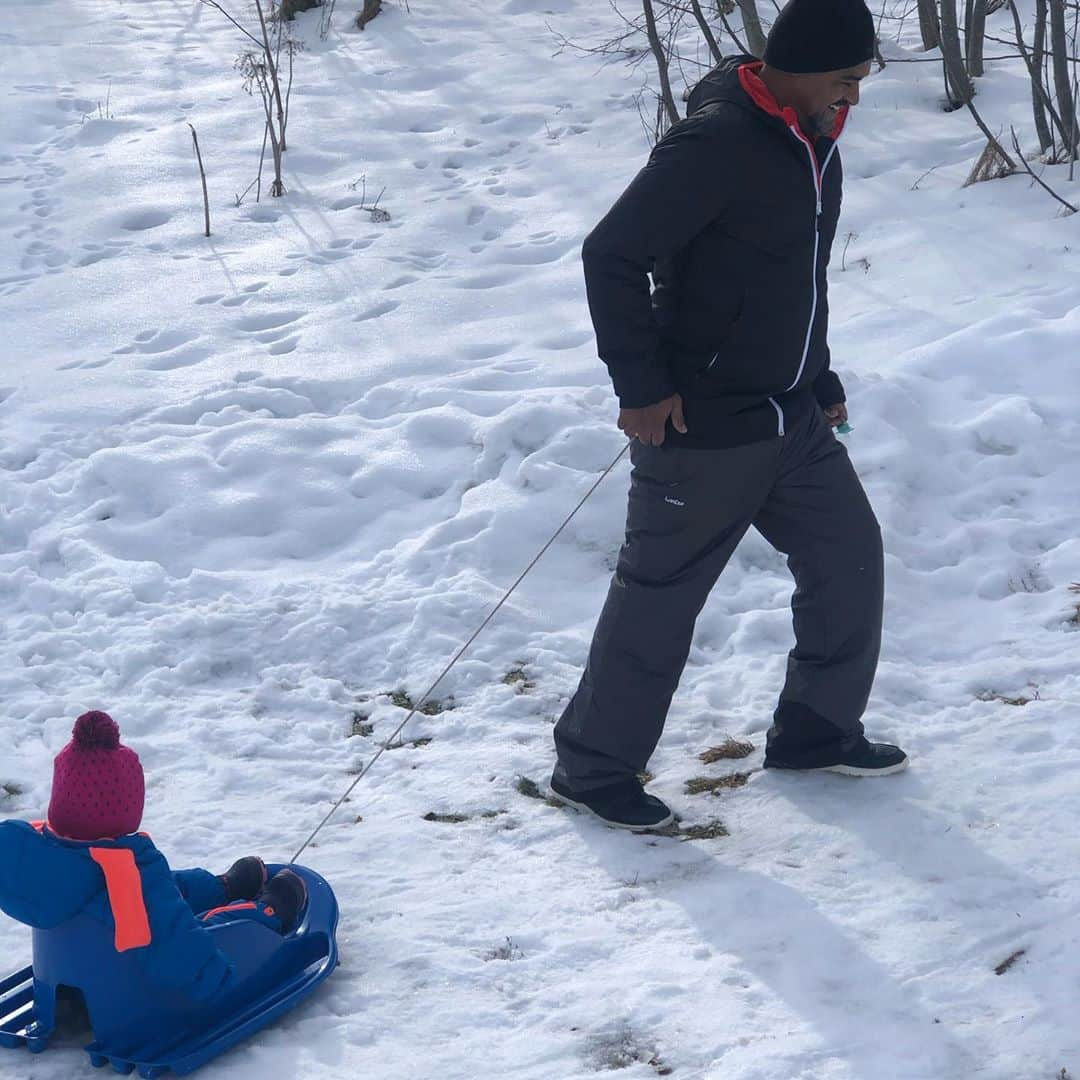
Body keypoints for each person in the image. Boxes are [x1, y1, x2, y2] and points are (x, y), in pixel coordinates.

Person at [549, 0, 909, 830]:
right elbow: (612, 253)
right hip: (703, 428)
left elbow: (797, 279)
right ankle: (593, 769)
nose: (854, 96)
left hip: (791, 417)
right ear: (803, 65)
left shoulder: (813, 140)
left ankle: (816, 732)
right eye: (847, 78)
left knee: (849, 556)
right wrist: (639, 386)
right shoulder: (717, 143)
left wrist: (817, 376)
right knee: (660, 600)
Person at [0, 711, 307, 1005]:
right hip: (127, 989)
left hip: (73, 967)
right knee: (190, 917)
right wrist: (214, 979)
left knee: (169, 888)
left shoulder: (27, 851)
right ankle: (268, 910)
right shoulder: (125, 876)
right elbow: (174, 944)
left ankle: (221, 887)